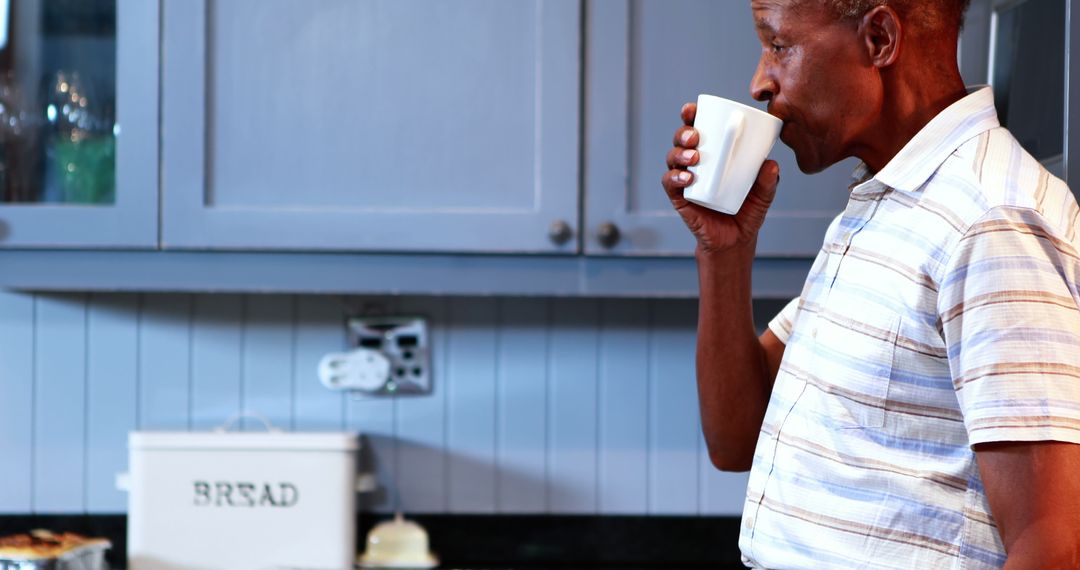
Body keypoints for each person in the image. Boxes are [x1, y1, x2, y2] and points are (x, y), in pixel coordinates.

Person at [661, 0, 1080, 568]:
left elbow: (1052, 546)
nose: (759, 82)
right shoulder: (887, 207)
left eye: (778, 45)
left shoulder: (988, 223)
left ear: (879, 38)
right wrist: (724, 251)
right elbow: (736, 441)